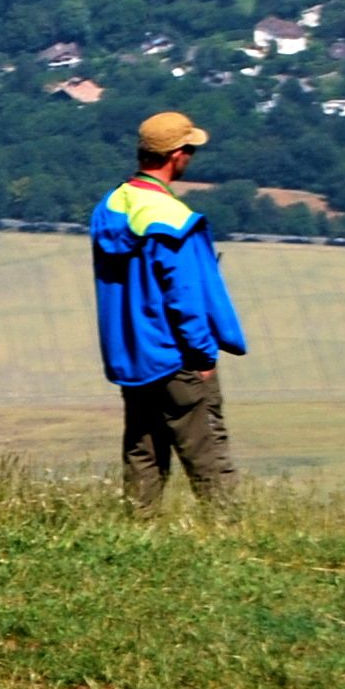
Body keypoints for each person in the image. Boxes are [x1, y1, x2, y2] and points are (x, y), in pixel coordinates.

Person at [91, 108, 248, 514]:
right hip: (176, 356)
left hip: (132, 356)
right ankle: (229, 532)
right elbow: (184, 297)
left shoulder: (112, 206)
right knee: (208, 455)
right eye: (190, 150)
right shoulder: (171, 218)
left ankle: (137, 532)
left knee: (143, 450)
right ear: (177, 155)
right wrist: (203, 356)